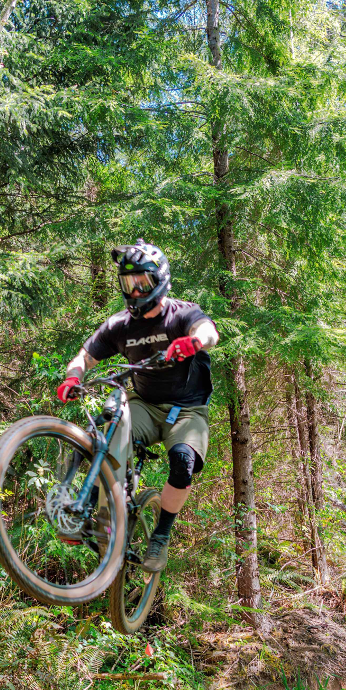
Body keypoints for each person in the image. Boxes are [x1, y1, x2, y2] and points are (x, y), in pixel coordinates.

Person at [54, 241, 218, 573]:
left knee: (182, 463)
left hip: (187, 411)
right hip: (144, 404)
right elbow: (84, 357)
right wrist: (73, 377)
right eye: (128, 284)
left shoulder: (181, 313)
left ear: (160, 281)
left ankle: (161, 535)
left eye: (142, 282)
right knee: (108, 432)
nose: (135, 290)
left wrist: (194, 341)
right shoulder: (120, 326)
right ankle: (91, 512)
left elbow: (208, 330)